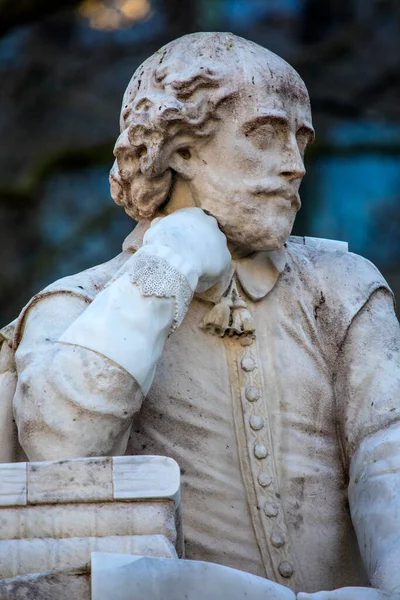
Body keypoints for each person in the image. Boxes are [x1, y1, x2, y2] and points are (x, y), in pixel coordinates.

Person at [1, 32, 400, 599]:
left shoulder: (341, 287)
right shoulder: (79, 305)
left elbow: (387, 454)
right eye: (265, 135)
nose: (294, 166)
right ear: (181, 150)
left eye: (301, 140)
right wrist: (169, 261)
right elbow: (61, 448)